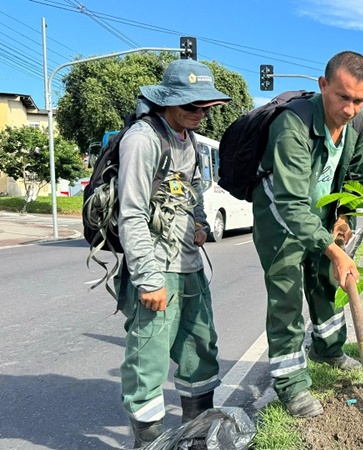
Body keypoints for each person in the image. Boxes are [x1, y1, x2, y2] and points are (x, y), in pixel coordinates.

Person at [116, 58, 230, 447]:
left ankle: (194, 437)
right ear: (167, 102)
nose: (200, 114)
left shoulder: (190, 140)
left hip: (189, 266)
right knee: (147, 361)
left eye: (205, 107)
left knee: (200, 350)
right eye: (191, 107)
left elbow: (194, 188)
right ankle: (148, 443)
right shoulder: (142, 139)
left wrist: (199, 222)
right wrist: (147, 279)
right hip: (156, 270)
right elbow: (130, 213)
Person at [252, 51, 363, 418]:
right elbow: (289, 204)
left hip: (321, 214)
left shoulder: (358, 125)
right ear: (323, 86)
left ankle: (328, 348)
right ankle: (290, 384)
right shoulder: (292, 126)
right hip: (280, 217)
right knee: (287, 298)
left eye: (359, 100)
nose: (350, 108)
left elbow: (353, 175)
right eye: (343, 97)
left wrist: (344, 216)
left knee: (324, 283)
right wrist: (336, 252)